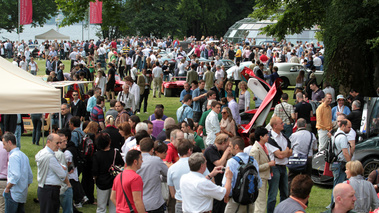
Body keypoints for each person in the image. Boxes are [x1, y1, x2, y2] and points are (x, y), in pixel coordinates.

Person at [221, 136, 262, 213]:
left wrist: (226, 195)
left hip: (235, 202)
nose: (229, 148)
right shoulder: (253, 161)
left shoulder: (231, 162)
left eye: (230, 146)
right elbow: (259, 184)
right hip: (250, 201)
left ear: (236, 147)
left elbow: (226, 184)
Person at [35, 134, 68, 213]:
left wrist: (60, 166)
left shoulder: (42, 152)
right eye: (57, 143)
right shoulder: (49, 157)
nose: (59, 145)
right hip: (50, 190)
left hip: (46, 189)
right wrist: (62, 167)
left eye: (60, 143)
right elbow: (63, 174)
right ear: (49, 142)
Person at [266, 117, 292, 213]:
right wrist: (285, 152)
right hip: (275, 167)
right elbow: (280, 155)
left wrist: (283, 153)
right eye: (281, 123)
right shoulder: (270, 138)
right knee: (273, 194)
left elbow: (290, 152)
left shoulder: (284, 136)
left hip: (283, 167)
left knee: (285, 192)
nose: (283, 124)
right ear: (275, 126)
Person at [93, 132, 124, 213]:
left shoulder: (97, 155)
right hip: (115, 181)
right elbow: (122, 165)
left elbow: (95, 171)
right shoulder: (115, 152)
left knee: (101, 207)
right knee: (114, 206)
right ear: (109, 141)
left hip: (102, 182)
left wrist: (95, 179)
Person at [2, 132, 33, 213]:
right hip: (22, 193)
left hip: (13, 193)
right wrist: (24, 187)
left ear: (9, 142)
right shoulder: (23, 155)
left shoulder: (13, 156)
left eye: (4, 144)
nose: (3, 147)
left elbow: (15, 176)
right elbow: (30, 176)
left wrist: (7, 189)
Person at [137, 138, 168, 212]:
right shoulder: (156, 161)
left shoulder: (135, 161)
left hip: (140, 202)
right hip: (154, 203)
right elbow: (167, 174)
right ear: (152, 150)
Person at [248, 127, 275, 213]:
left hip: (263, 177)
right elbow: (254, 167)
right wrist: (269, 164)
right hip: (259, 179)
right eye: (266, 135)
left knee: (261, 202)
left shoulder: (263, 147)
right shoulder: (255, 150)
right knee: (260, 203)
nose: (268, 137)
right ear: (261, 137)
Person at [204, 133, 231, 213]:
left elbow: (225, 164)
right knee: (217, 206)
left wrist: (228, 156)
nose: (228, 147)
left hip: (220, 181)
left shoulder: (220, 151)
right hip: (213, 181)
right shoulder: (210, 150)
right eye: (227, 144)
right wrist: (226, 152)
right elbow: (219, 164)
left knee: (222, 205)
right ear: (223, 143)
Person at [329, 119, 352, 206]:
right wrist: (350, 164)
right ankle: (334, 206)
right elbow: (345, 152)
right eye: (348, 127)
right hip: (340, 164)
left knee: (337, 186)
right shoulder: (342, 137)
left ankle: (335, 205)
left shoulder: (335, 135)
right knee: (338, 187)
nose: (350, 129)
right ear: (343, 126)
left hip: (336, 163)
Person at [288, 119, 317, 186]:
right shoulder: (312, 135)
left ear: (297, 125)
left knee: (291, 178)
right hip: (307, 158)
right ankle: (305, 193)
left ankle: (291, 192)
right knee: (306, 178)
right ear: (305, 125)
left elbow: (290, 147)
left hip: (295, 158)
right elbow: (315, 148)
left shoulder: (293, 135)